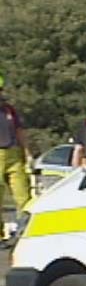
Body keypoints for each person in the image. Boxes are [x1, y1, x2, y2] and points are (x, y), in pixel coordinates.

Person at [0, 74, 32, 230]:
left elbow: (19, 131)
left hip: (14, 154)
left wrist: (27, 153)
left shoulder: (9, 110)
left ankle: (24, 228)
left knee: (23, 195)